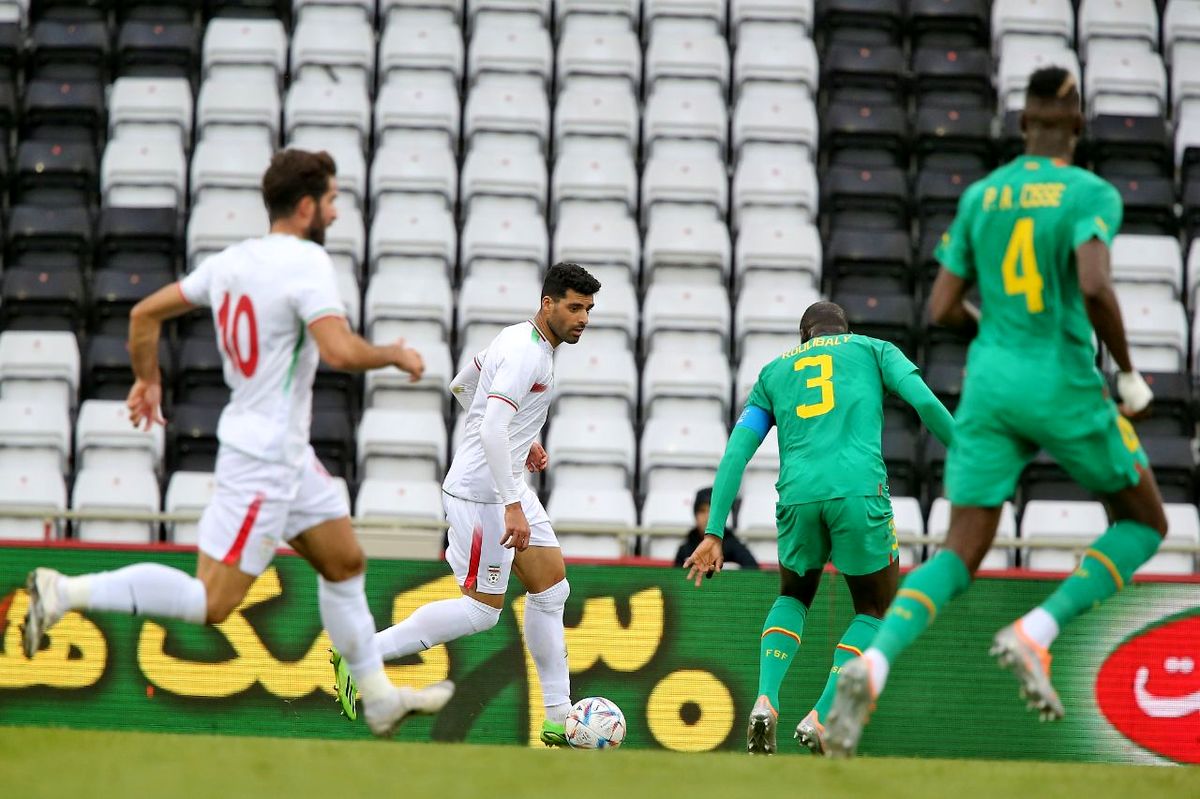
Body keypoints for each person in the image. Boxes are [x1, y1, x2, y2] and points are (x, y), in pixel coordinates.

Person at [21, 149, 454, 737]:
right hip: (265, 459)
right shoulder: (306, 262)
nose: (334, 212)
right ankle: (64, 589)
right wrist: (394, 354)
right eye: (330, 201)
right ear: (306, 208)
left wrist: (148, 378)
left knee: (344, 561)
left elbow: (144, 315)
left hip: (281, 453)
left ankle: (377, 698)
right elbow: (338, 351)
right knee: (213, 602)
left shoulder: (231, 262)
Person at [825, 67, 1167, 758]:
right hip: (1063, 380)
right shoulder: (1088, 191)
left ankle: (874, 663)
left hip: (988, 386)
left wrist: (998, 331)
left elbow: (943, 308)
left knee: (957, 552)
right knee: (1144, 520)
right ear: (1076, 124)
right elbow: (1096, 284)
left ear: (1019, 126)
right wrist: (1127, 369)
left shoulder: (983, 196)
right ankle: (1038, 629)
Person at [331, 263, 602, 747]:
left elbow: (462, 385)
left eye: (588, 309)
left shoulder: (516, 338)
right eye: (575, 307)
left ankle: (560, 718)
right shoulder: (527, 356)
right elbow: (492, 428)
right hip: (485, 496)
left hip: (506, 485)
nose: (583, 318)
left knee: (551, 590)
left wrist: (525, 441)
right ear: (548, 304)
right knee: (482, 613)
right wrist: (511, 502)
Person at [684, 301, 955, 755]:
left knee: (792, 597)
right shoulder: (874, 350)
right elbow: (926, 401)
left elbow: (736, 453)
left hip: (797, 498)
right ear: (843, 330)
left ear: (804, 337)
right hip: (859, 493)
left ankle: (766, 700)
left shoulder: (774, 372)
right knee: (874, 608)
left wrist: (714, 532)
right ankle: (821, 715)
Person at [673, 487, 759, 570]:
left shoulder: (734, 546)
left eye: (712, 511)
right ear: (695, 514)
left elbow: (753, 571)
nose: (707, 517)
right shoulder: (685, 549)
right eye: (702, 511)